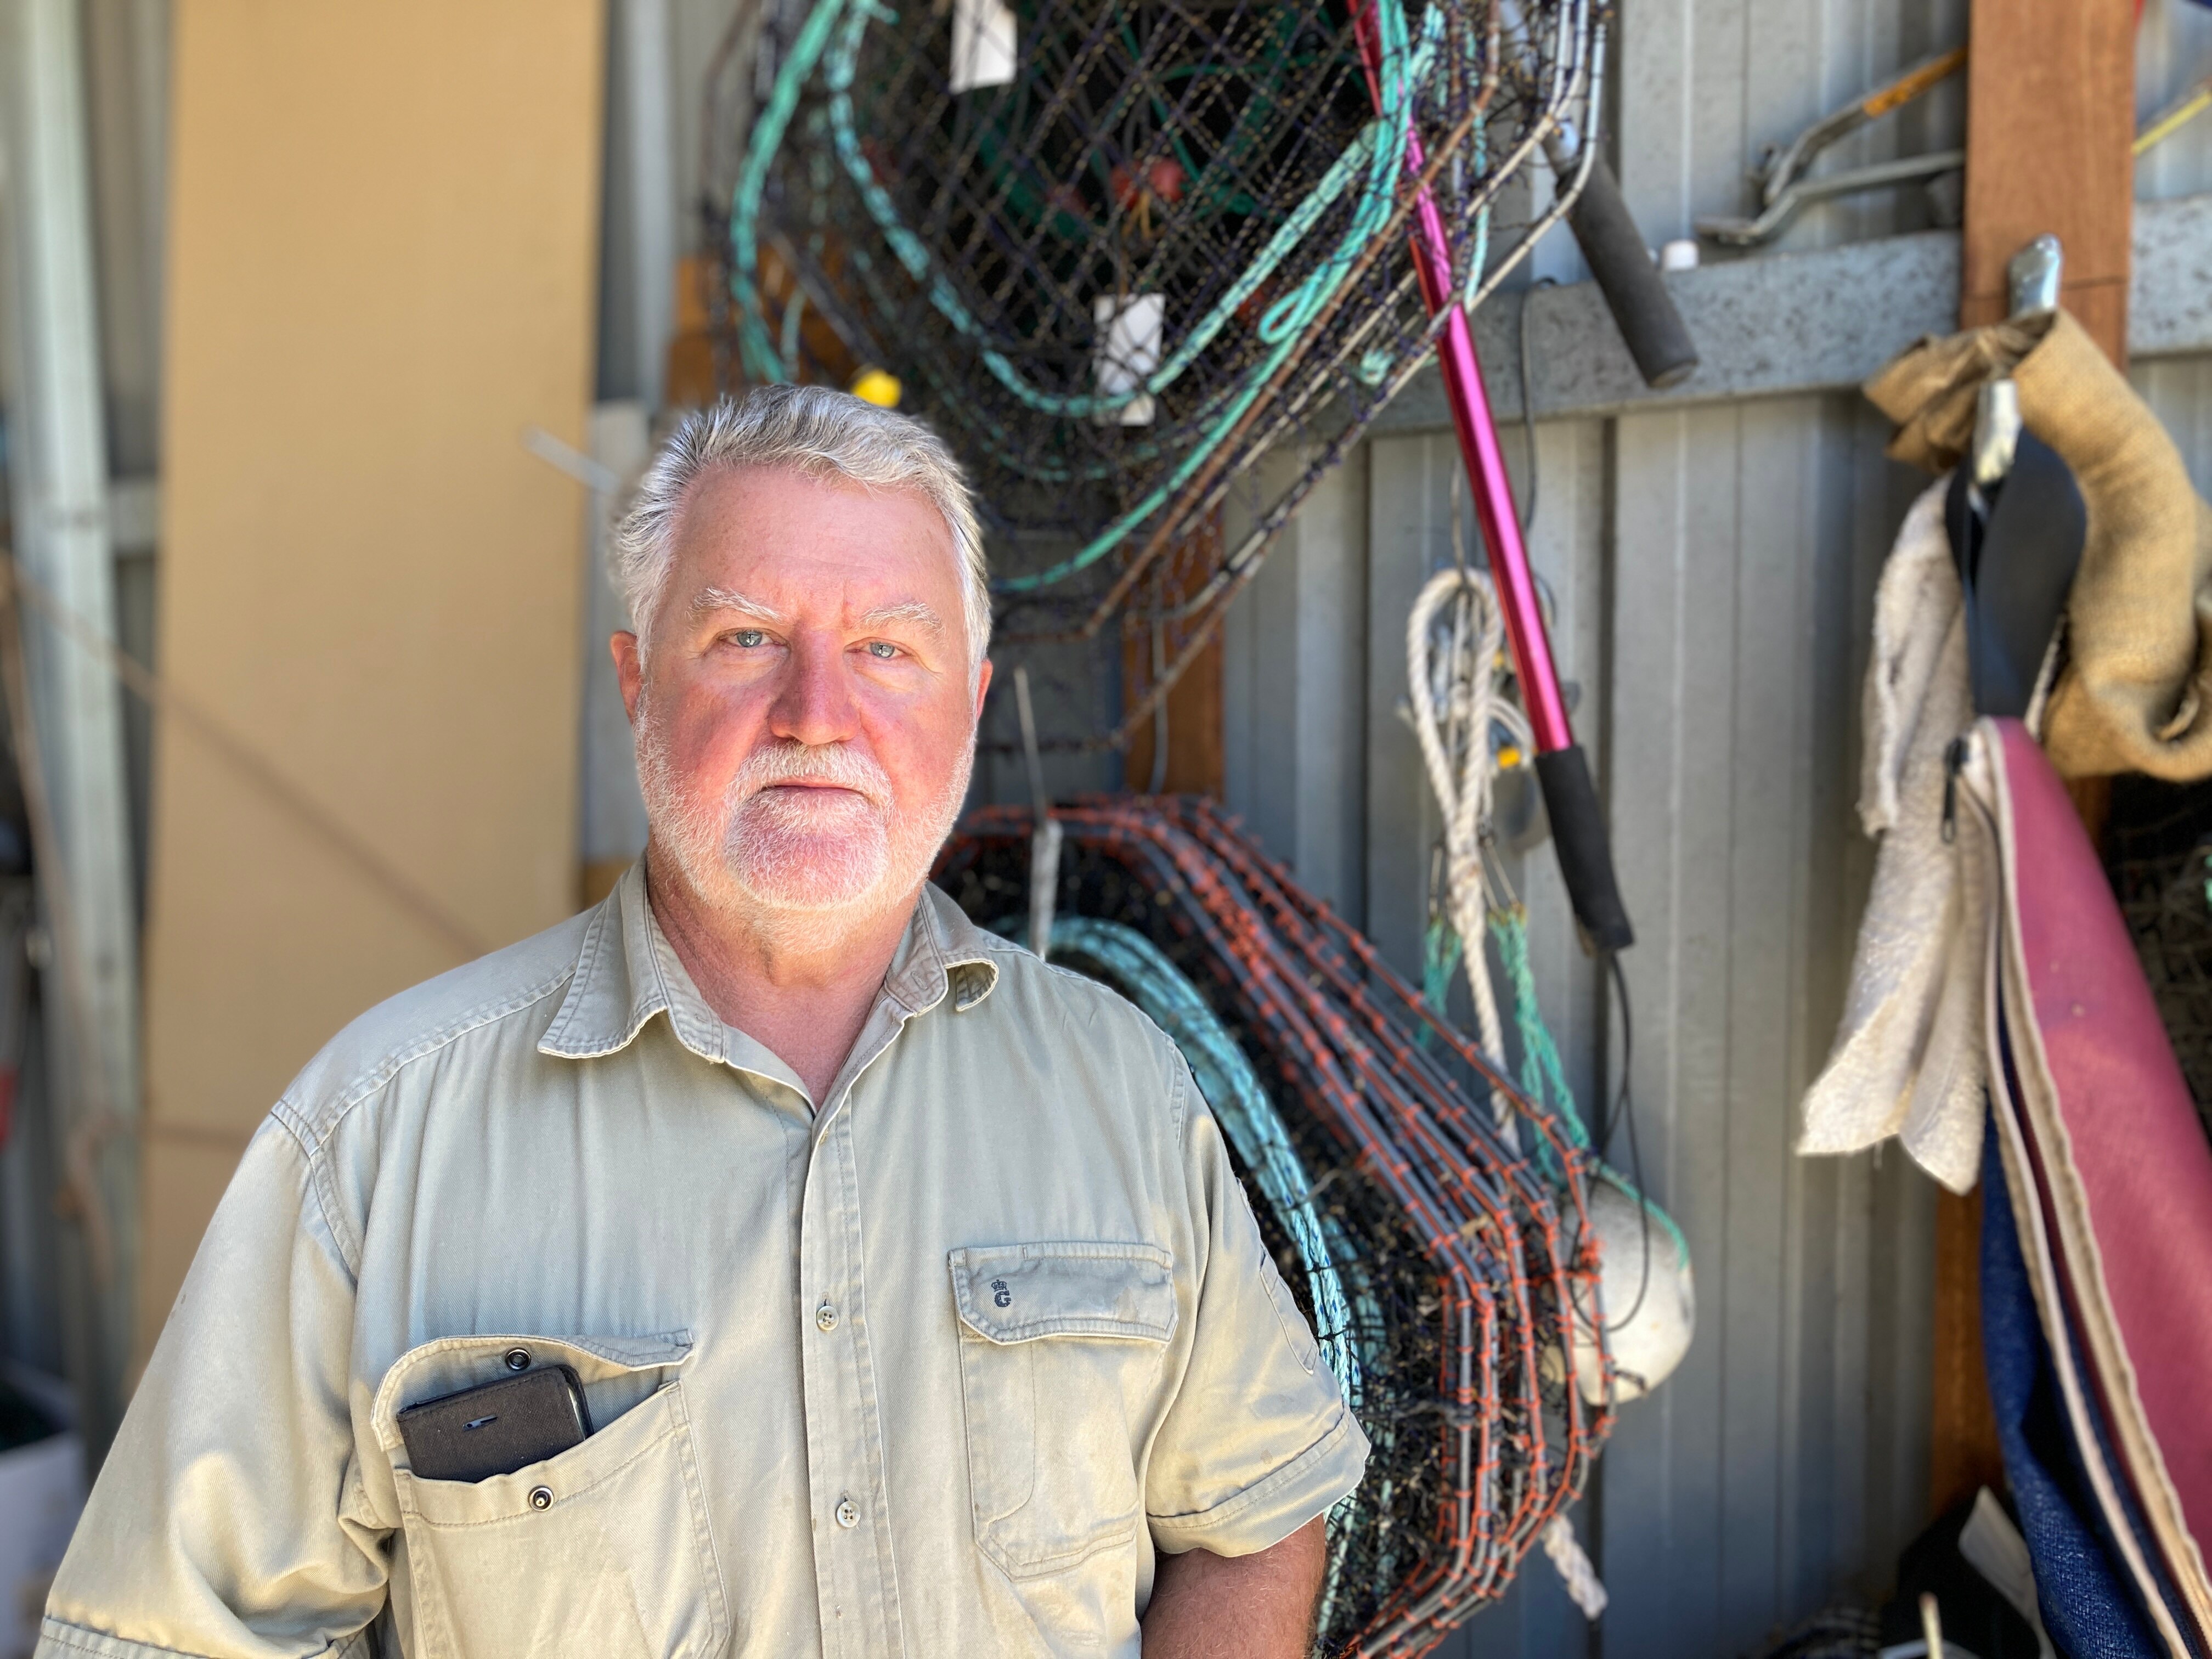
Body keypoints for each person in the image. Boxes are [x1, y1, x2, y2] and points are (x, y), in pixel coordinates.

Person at [38, 386, 1367, 1659]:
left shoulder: (1115, 1088)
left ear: (970, 696)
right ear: (635, 680)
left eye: (886, 651)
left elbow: (1253, 1517)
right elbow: (172, 1637)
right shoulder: (379, 1138)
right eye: (745, 641)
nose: (817, 717)